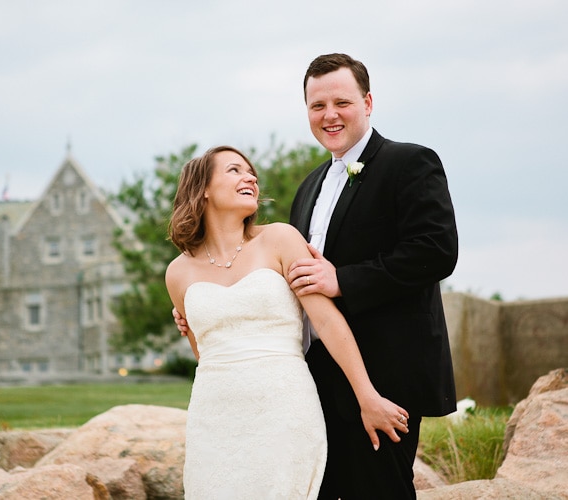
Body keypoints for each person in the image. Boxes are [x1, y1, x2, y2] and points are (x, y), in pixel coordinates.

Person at [175, 54, 458, 499]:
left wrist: (343, 280)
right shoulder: (309, 187)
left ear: (367, 102)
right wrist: (217, 312)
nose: (329, 115)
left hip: (386, 374)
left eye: (341, 102)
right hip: (313, 384)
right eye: (316, 106)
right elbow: (290, 287)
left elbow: (436, 251)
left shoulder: (409, 163)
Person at [165, 145, 410, 499]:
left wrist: (367, 397)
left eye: (252, 173)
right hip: (214, 418)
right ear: (202, 188)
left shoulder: (280, 239)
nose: (249, 177)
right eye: (234, 170)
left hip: (283, 408)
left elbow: (327, 322)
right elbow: (206, 354)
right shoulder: (177, 273)